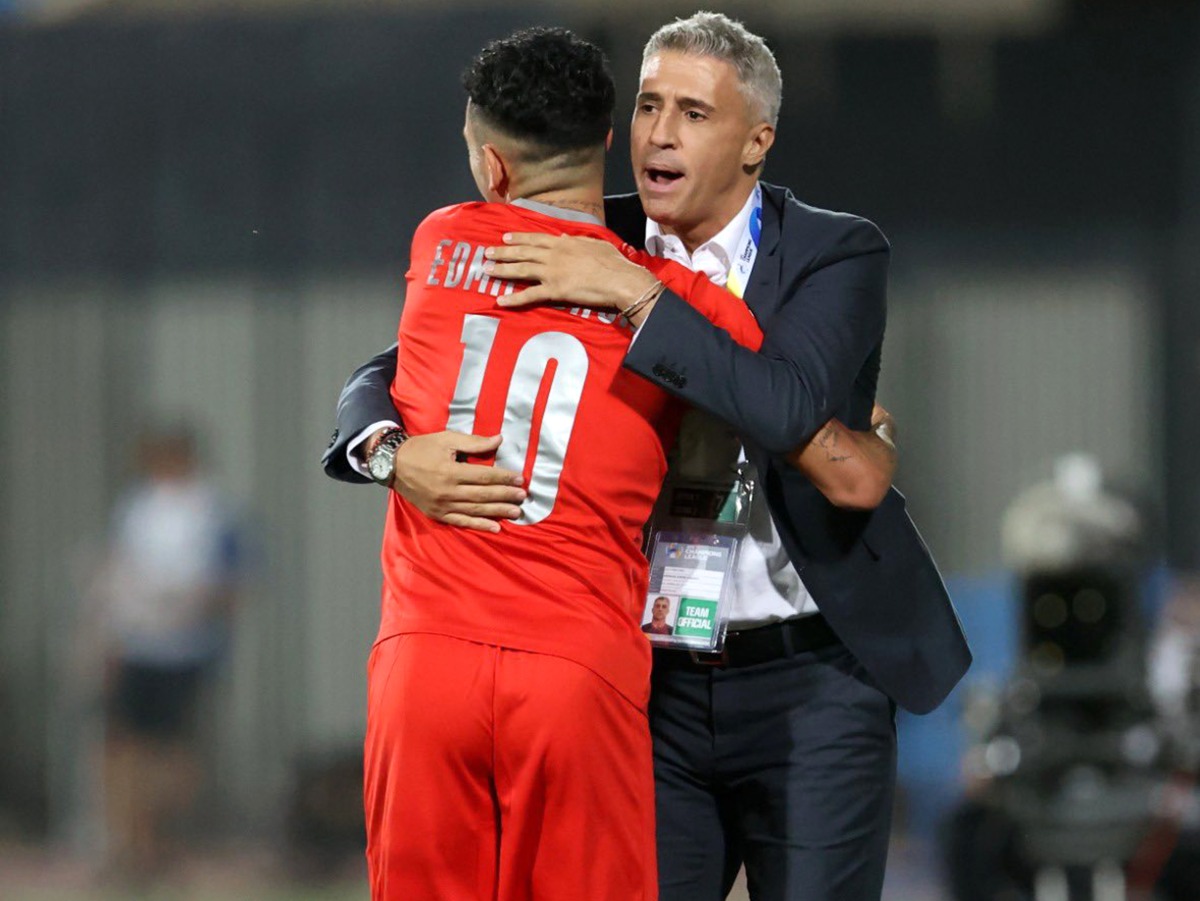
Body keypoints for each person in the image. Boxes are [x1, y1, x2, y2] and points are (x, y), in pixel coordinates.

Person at [325, 13, 971, 900]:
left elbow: (785, 405)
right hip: (646, 676)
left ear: (757, 141)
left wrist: (638, 295)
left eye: (694, 114)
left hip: (807, 675)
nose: (660, 133)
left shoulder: (833, 249)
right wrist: (390, 452)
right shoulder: (582, 227)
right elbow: (391, 364)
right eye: (649, 104)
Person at [85, 424, 243, 882]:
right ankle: (129, 842)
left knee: (172, 750)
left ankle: (164, 844)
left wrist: (189, 607)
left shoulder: (211, 510)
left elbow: (231, 583)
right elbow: (115, 573)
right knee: (123, 747)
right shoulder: (136, 507)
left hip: (185, 648)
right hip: (135, 645)